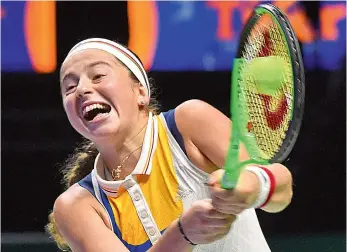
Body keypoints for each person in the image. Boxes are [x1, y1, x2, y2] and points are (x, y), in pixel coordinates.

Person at [46, 38, 293, 252]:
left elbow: (282, 188)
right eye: (70, 87)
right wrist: (184, 233)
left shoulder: (188, 123)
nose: (82, 89)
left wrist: (253, 186)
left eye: (98, 75)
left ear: (140, 92)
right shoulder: (76, 206)